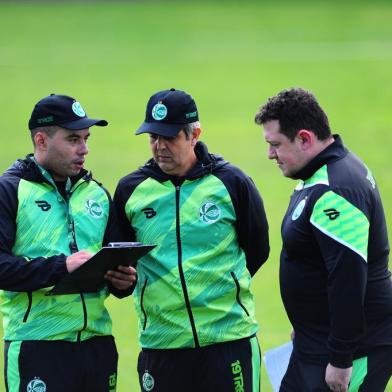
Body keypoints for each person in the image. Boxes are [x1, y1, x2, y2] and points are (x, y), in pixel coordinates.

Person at [114, 88, 269, 392]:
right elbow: (120, 265)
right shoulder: (131, 190)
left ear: (194, 134)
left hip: (229, 341)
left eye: (169, 137)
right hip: (162, 345)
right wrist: (122, 282)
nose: (159, 147)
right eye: (152, 137)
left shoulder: (232, 183)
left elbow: (258, 250)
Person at [255, 87, 392, 392]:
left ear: (304, 138)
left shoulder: (336, 191)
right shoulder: (320, 174)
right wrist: (304, 324)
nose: (269, 154)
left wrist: (342, 359)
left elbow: (348, 277)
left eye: (275, 144)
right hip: (315, 343)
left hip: (352, 351)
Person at [0, 94, 136, 392]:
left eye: (86, 138)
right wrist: (62, 266)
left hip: (97, 346)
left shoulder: (97, 194)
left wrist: (123, 281)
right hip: (38, 346)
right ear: (41, 140)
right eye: (73, 139)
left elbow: (114, 264)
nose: (84, 149)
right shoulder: (10, 191)